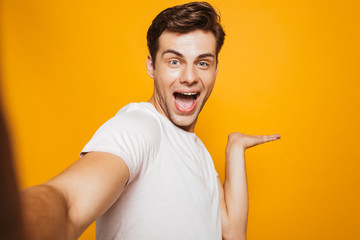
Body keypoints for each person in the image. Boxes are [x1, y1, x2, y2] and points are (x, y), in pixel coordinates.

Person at [21, 2, 280, 240]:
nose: (189, 77)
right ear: (152, 66)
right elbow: (69, 205)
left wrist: (234, 149)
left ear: (215, 69)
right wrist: (17, 223)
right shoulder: (139, 127)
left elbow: (232, 232)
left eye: (202, 63)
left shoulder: (198, 151)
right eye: (175, 61)